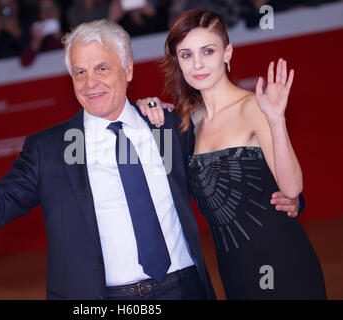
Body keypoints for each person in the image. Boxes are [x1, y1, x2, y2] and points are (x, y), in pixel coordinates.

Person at [0, 19, 215, 300]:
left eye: (102, 68)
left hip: (184, 289)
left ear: (129, 68)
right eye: (80, 72)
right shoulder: (49, 150)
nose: (89, 82)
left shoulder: (168, 126)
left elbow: (217, 182)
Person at [136, 9, 326, 299]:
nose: (197, 64)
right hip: (232, 272)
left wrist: (276, 120)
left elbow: (292, 188)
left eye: (208, 51)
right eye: (186, 55)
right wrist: (149, 108)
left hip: (284, 263)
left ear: (227, 53)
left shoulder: (254, 107)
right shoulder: (188, 122)